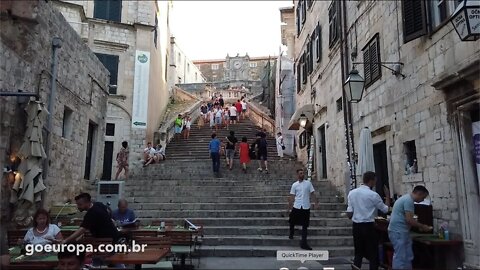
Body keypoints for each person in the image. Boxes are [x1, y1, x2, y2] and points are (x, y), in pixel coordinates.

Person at [346, 171, 391, 270]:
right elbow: (385, 209)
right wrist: (387, 195)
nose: (375, 183)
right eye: (375, 181)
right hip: (369, 226)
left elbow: (349, 213)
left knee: (358, 253)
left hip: (356, 226)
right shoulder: (373, 195)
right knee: (373, 254)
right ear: (371, 181)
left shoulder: (352, 193)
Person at [388, 186, 432, 269]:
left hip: (402, 231)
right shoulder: (408, 201)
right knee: (400, 256)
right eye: (423, 197)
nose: (422, 200)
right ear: (419, 194)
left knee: (408, 255)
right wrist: (422, 226)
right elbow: (409, 220)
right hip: (398, 231)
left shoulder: (406, 199)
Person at [287, 169, 318, 250]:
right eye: (300, 173)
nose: (302, 174)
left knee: (305, 225)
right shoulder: (294, 185)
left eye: (303, 173)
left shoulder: (308, 183)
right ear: (297, 175)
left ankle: (304, 243)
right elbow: (292, 196)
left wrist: (316, 202)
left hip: (305, 206)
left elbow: (312, 193)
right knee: (292, 221)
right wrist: (289, 207)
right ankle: (291, 233)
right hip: (297, 205)